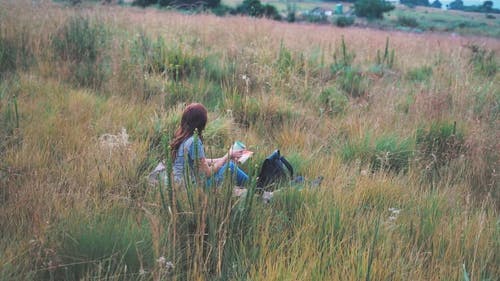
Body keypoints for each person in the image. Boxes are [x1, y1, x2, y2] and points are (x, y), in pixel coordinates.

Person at [170, 103, 249, 187]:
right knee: (230, 167)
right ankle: (256, 187)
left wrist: (227, 158)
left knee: (228, 164)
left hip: (179, 185)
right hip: (191, 189)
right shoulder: (194, 141)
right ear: (201, 123)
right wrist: (227, 156)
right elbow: (206, 173)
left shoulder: (183, 137)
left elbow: (200, 161)